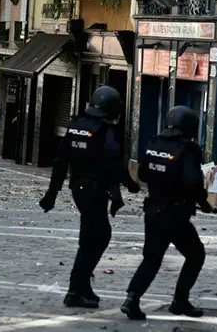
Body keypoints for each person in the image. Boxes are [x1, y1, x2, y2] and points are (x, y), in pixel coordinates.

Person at [39, 86, 140, 308]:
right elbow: (114, 164)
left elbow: (61, 162)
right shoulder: (105, 130)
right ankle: (75, 289)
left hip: (78, 188)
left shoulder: (76, 125)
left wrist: (52, 193)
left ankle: (82, 285)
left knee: (92, 236)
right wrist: (131, 184)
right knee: (96, 237)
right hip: (94, 190)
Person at [121, 106, 217, 321]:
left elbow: (143, 173)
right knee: (196, 254)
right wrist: (204, 204)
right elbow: (192, 182)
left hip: (153, 210)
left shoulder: (155, 143)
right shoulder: (188, 149)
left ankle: (132, 298)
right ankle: (180, 300)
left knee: (151, 259)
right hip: (175, 213)